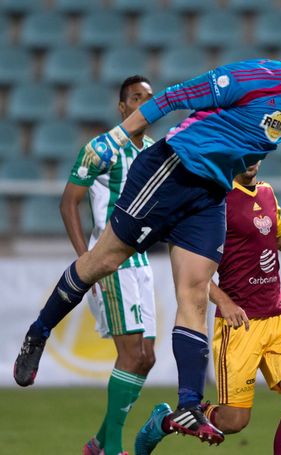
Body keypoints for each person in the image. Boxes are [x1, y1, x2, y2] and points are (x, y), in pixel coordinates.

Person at [14, 24, 281, 447]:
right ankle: (39, 332)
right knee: (103, 262)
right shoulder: (256, 77)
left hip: (210, 194)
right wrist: (118, 136)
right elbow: (175, 97)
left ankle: (189, 405)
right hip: (171, 171)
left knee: (193, 294)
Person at [135, 161, 281, 454]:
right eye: (246, 152)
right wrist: (225, 301)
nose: (253, 160)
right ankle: (167, 421)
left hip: (279, 317)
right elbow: (192, 273)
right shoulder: (215, 199)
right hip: (240, 325)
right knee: (234, 421)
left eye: (258, 154)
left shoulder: (268, 193)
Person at [59, 75, 156, 455]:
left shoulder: (155, 151)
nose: (143, 104)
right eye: (136, 98)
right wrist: (87, 261)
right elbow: (69, 203)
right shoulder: (101, 149)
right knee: (131, 355)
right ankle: (112, 448)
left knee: (147, 359)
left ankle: (99, 442)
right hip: (111, 262)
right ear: (121, 107)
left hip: (144, 261)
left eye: (149, 98)